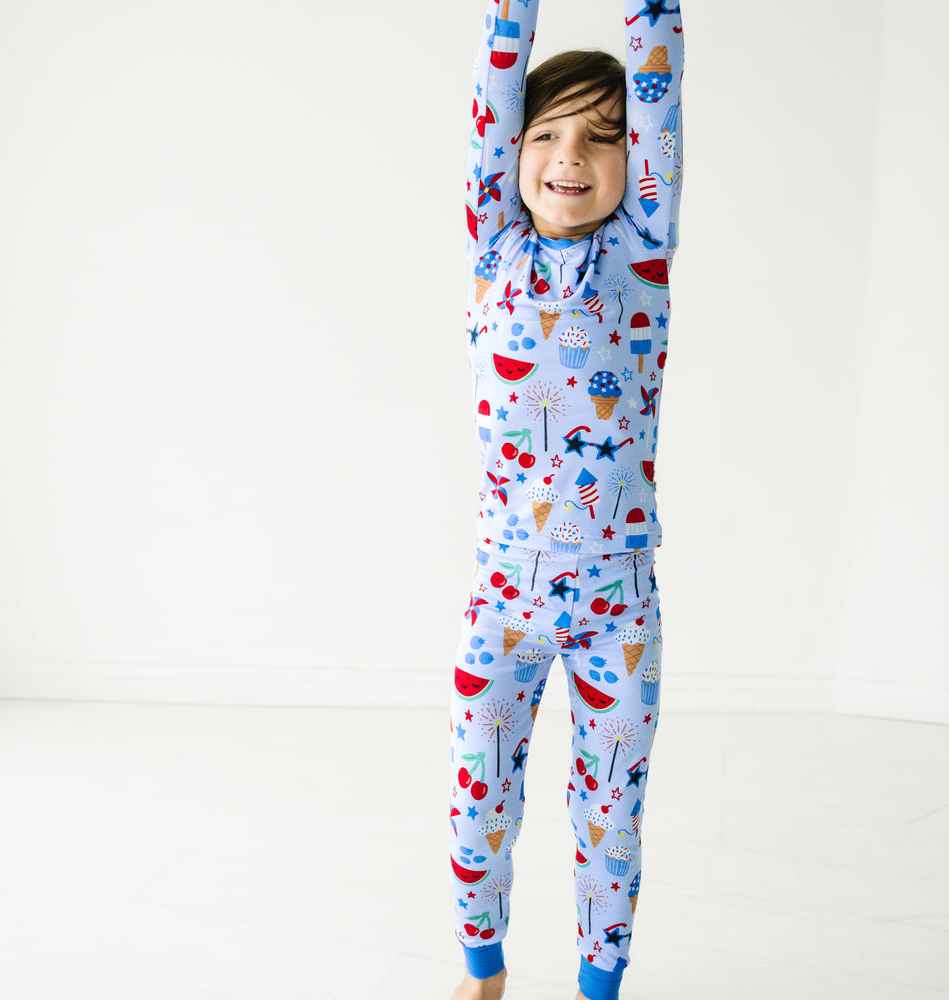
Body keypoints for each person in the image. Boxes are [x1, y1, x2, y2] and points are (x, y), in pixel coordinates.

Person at [448, 2, 684, 999]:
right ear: (512, 152)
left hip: (614, 605)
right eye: (546, 132)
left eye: (601, 133)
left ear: (637, 162)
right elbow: (492, 106)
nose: (569, 154)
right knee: (477, 803)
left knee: (609, 817)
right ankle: (481, 968)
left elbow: (660, 97)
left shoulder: (639, 254)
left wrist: (653, 14)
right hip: (502, 599)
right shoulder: (491, 242)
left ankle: (598, 984)